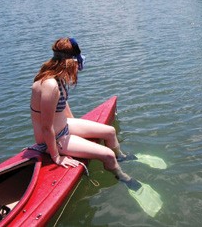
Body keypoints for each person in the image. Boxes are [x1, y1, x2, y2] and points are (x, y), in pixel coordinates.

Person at [30, 37, 141, 190]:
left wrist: (78, 129)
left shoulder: (58, 78)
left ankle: (120, 157)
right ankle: (123, 178)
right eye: (77, 63)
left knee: (110, 131)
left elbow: (62, 105)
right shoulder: (50, 85)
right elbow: (46, 127)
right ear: (70, 63)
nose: (79, 67)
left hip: (64, 127)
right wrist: (57, 157)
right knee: (107, 154)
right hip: (54, 138)